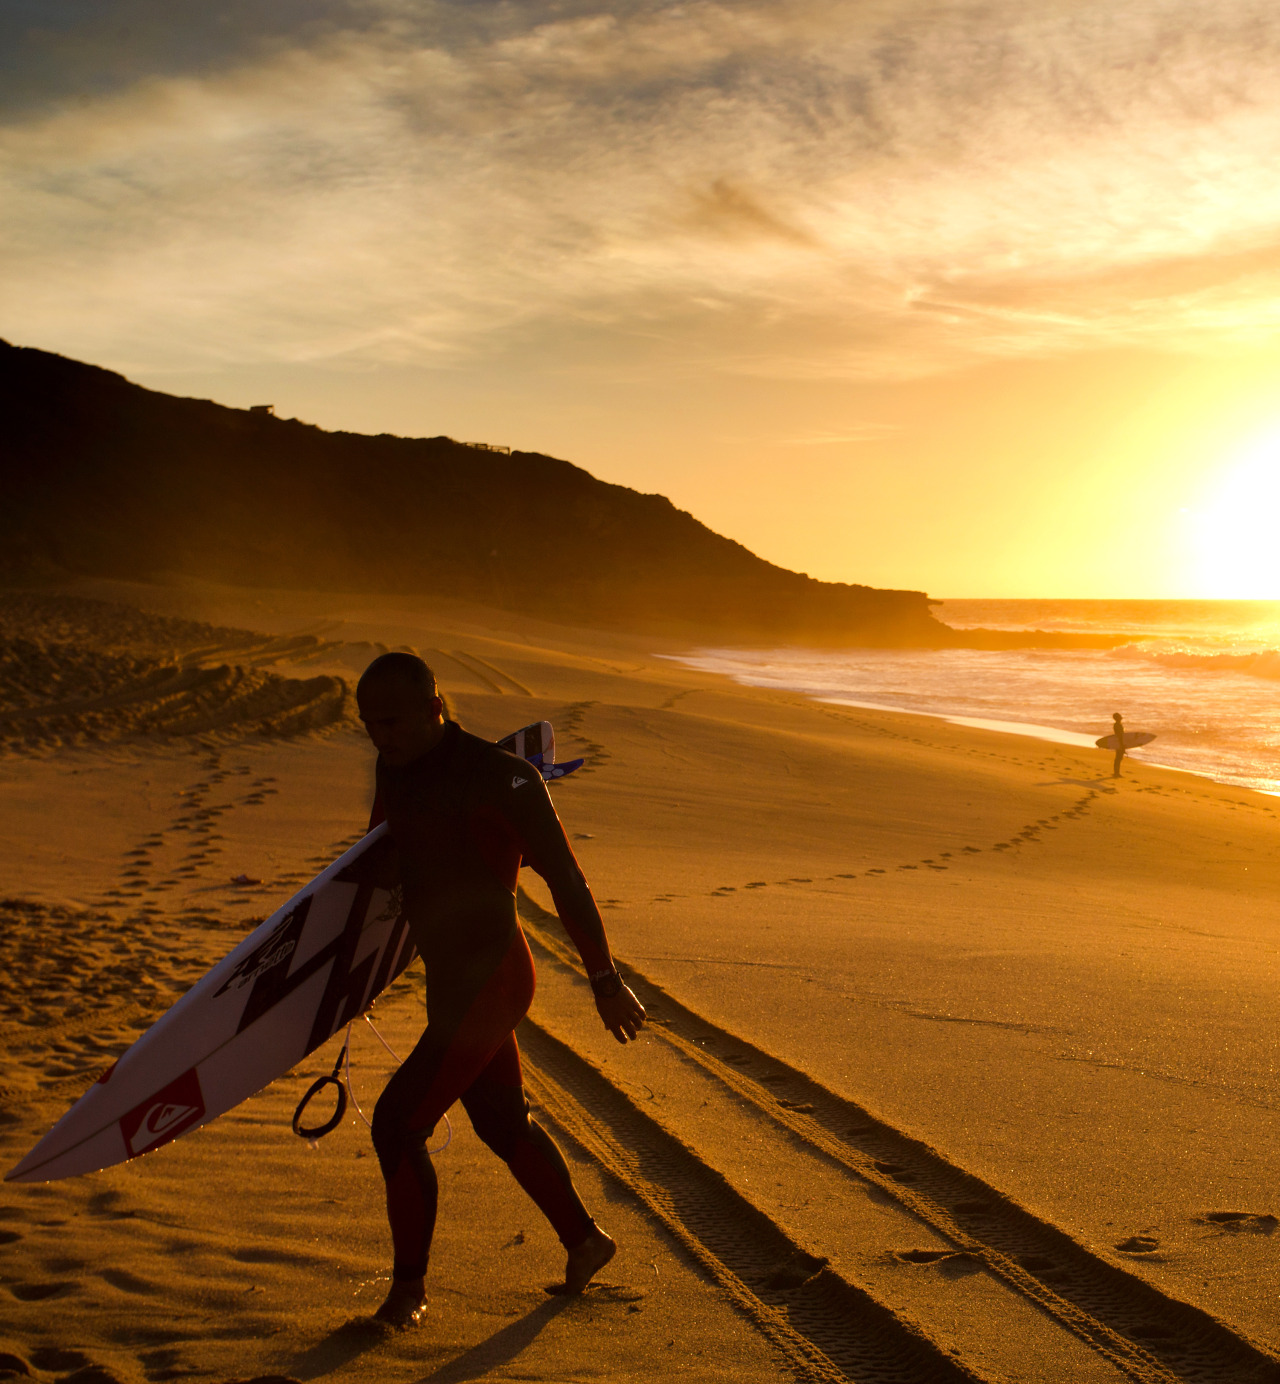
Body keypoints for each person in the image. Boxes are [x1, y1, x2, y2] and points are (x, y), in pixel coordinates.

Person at [354, 652, 646, 1327]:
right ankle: (585, 1241)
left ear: (435, 708)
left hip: (492, 977)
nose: (380, 736)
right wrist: (357, 967)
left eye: (392, 721)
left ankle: (407, 1294)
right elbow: (383, 856)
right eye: (369, 724)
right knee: (499, 1120)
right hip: (445, 977)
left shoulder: (502, 779)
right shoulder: (392, 767)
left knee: (398, 1124)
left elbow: (566, 880)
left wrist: (604, 979)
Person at [1111, 712, 1125, 778]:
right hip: (1119, 743)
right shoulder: (1117, 725)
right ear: (1117, 718)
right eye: (1119, 716)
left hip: (1119, 742)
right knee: (1118, 758)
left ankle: (1116, 772)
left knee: (1119, 758)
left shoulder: (1117, 724)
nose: (1121, 717)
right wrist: (1122, 745)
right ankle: (1116, 773)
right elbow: (1120, 736)